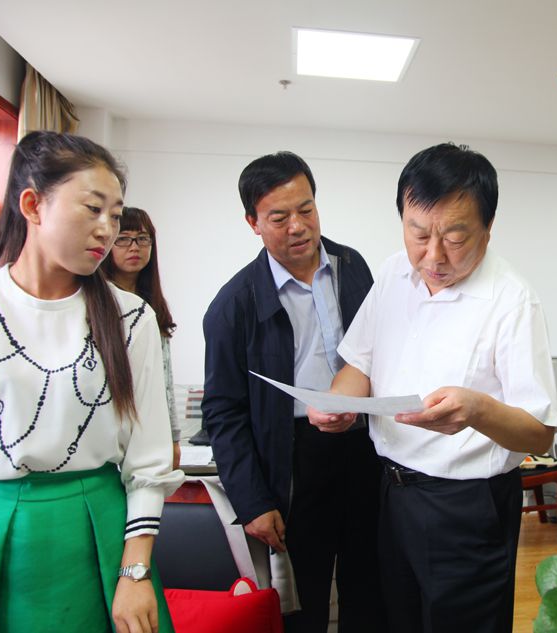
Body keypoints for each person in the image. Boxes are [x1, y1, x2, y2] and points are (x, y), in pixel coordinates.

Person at [308, 142, 557, 633]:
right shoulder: (392, 273)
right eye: (418, 234)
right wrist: (337, 404)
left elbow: (539, 433)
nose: (434, 255)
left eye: (455, 237)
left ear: (488, 228)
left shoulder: (512, 301)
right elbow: (359, 363)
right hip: (390, 491)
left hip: (466, 508)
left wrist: (477, 410)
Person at [0, 131, 183, 633]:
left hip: (96, 531)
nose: (107, 230)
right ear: (33, 205)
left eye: (115, 216)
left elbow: (148, 461)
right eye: (93, 209)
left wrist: (135, 572)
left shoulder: (131, 318)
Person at [201, 151, 383, 632]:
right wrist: (253, 501)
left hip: (365, 448)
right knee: (304, 602)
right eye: (279, 218)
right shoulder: (234, 305)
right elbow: (223, 413)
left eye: (306, 209)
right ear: (253, 223)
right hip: (294, 461)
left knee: (371, 589)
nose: (298, 227)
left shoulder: (353, 267)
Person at [103, 207, 182, 469]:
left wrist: (173, 437)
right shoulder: (100, 303)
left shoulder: (153, 304)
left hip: (152, 426)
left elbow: (164, 377)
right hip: (111, 431)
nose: (134, 247)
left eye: (142, 238)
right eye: (123, 239)